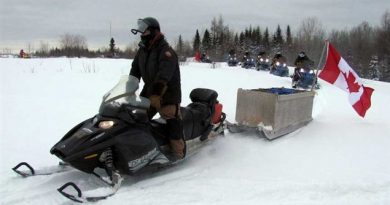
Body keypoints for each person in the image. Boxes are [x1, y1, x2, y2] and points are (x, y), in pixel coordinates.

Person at [130, 17, 185, 161]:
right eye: (141, 30)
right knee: (137, 119)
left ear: (153, 32)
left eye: (145, 30)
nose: (142, 33)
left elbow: (163, 76)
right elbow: (134, 71)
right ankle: (139, 149)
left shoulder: (166, 51)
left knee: (171, 121)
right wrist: (128, 88)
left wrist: (156, 95)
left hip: (167, 94)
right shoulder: (142, 50)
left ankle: (178, 153)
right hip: (150, 91)